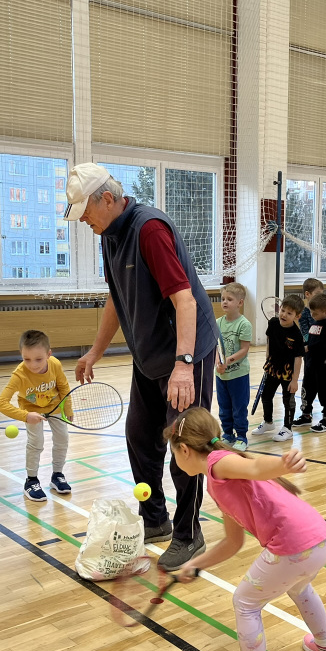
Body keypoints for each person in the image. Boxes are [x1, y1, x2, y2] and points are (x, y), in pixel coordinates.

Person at [68, 163, 217, 571]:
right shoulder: (109, 236)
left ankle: (189, 534)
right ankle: (156, 520)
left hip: (185, 353)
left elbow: (185, 301)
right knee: (139, 436)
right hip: (149, 355)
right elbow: (116, 298)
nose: (82, 220)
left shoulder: (149, 230)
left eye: (85, 211)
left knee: (185, 445)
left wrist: (184, 365)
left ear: (108, 199)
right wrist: (95, 351)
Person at [166, 408, 326, 651]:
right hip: (320, 541)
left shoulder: (218, 462)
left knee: (245, 603)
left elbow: (257, 467)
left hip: (292, 547)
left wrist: (283, 464)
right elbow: (232, 542)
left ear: (184, 450)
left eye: (173, 454)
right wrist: (196, 565)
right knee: (299, 588)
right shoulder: (220, 478)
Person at [0, 330, 73, 502]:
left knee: (62, 439)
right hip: (31, 409)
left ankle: (57, 475)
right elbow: (1, 403)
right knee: (36, 443)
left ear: (49, 354)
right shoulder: (19, 375)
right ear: (21, 355)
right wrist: (25, 415)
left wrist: (68, 409)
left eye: (38, 359)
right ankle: (31, 481)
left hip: (55, 405)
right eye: (27, 359)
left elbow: (63, 387)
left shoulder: (55, 364)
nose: (33, 365)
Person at [252, 294, 305, 442]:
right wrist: (267, 357)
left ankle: (287, 428)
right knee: (266, 395)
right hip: (272, 368)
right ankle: (268, 422)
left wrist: (294, 380)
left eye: (289, 313)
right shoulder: (273, 323)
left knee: (288, 401)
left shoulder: (297, 335)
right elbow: (269, 339)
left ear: (297, 316)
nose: (284, 315)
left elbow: (298, 359)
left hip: (288, 372)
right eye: (282, 310)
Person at [215, 282, 253, 452]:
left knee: (239, 407)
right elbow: (215, 347)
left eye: (229, 299)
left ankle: (242, 437)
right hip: (221, 375)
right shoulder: (217, 323)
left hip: (238, 375)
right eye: (223, 298)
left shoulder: (244, 324)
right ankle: (228, 434)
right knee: (224, 406)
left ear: (240, 302)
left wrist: (227, 361)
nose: (224, 302)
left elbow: (244, 349)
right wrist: (218, 363)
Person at [299, 278, 326, 420]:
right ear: (307, 294)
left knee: (324, 386)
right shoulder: (304, 313)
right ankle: (306, 411)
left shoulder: (324, 312)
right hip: (309, 356)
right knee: (308, 384)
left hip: (321, 359)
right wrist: (307, 347)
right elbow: (306, 333)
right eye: (317, 293)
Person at [293, 292, 326, 433]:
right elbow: (311, 341)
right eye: (311, 312)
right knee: (307, 390)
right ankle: (306, 415)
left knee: (324, 392)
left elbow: (322, 345)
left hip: (322, 366)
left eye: (315, 313)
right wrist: (304, 345)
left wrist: (307, 348)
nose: (312, 315)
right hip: (310, 364)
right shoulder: (315, 324)